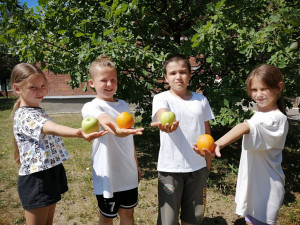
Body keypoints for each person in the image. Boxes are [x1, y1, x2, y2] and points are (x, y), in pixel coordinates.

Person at [11, 63, 107, 225]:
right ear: (17, 88)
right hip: (37, 178)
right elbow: (50, 128)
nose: (40, 91)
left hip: (50, 171)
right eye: (33, 87)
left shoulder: (36, 110)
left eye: (43, 86)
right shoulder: (24, 115)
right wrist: (78, 132)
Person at [194, 64, 288, 225]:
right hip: (254, 188)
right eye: (254, 90)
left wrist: (218, 144)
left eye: (264, 89)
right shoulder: (260, 115)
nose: (258, 94)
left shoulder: (277, 119)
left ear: (279, 87)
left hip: (267, 192)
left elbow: (245, 127)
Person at [151, 54, 215, 225]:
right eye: (172, 73)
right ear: (165, 77)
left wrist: (208, 158)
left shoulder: (201, 100)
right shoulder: (161, 98)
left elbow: (206, 131)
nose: (178, 77)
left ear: (190, 75)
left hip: (198, 167)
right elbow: (162, 113)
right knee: (168, 220)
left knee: (192, 219)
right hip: (170, 168)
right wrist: (165, 123)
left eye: (183, 72)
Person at [81, 56, 144, 225]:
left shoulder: (123, 104)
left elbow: (129, 139)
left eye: (113, 80)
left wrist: (136, 166)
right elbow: (104, 119)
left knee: (128, 214)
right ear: (92, 83)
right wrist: (117, 130)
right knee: (107, 217)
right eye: (104, 80)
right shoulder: (91, 106)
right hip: (108, 174)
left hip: (128, 172)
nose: (109, 84)